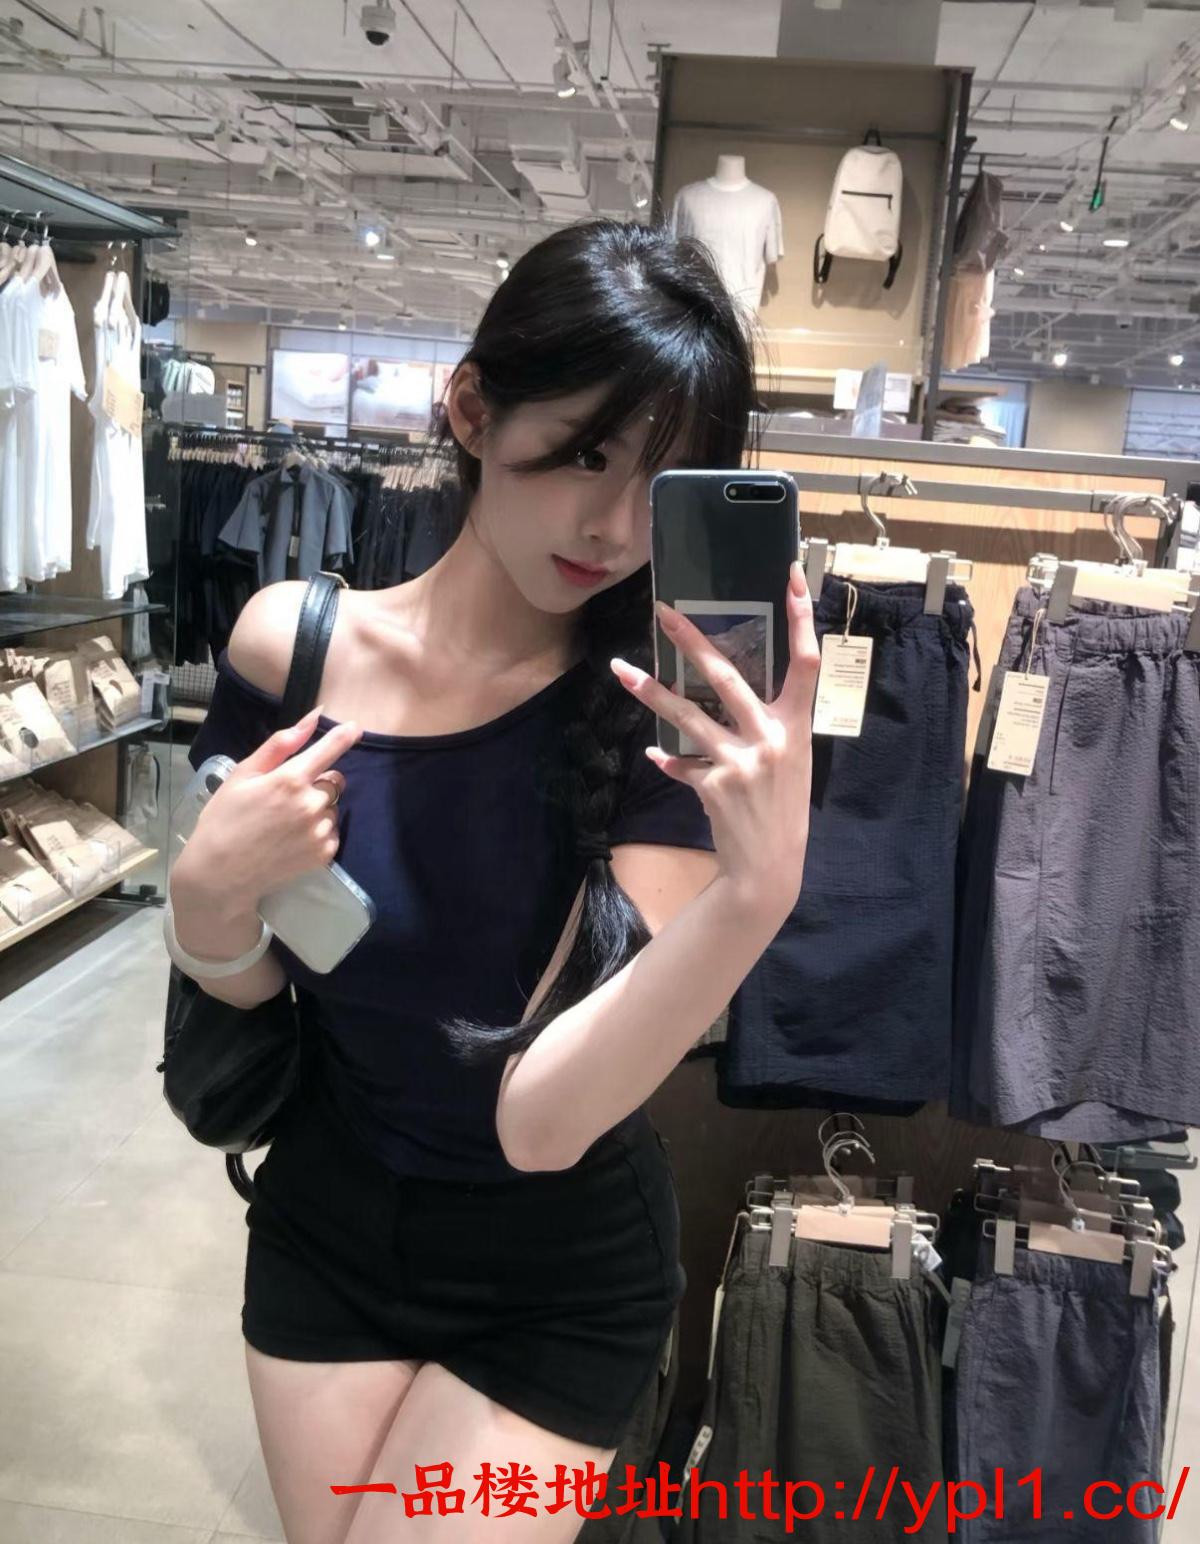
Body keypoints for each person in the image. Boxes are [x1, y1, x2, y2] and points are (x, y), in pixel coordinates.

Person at [166, 218, 820, 1544]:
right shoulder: (289, 650)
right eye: (586, 453)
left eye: (663, 480)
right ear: (471, 407)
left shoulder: (662, 723)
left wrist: (754, 899)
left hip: (557, 1274)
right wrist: (206, 902)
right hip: (325, 1224)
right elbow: (256, 993)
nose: (617, 526)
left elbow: (542, 1123)